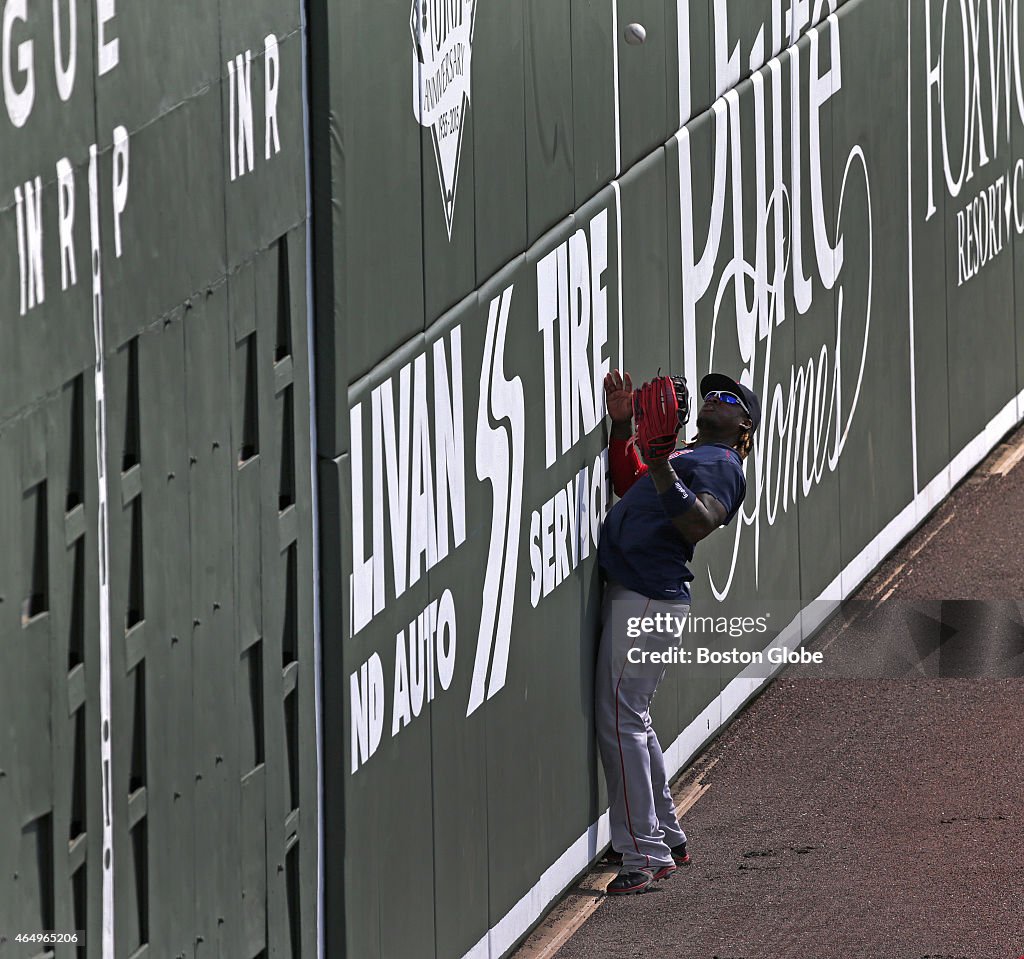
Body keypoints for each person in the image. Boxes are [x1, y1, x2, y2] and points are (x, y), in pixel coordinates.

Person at [595, 369, 760, 894]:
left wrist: (663, 463)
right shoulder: (691, 455)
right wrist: (624, 429)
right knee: (633, 717)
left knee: (620, 719)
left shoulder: (724, 464)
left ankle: (643, 855)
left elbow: (697, 522)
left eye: (728, 398)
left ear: (744, 427)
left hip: (650, 594)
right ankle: (665, 832)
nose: (714, 399)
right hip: (647, 594)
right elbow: (631, 484)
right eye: (710, 394)